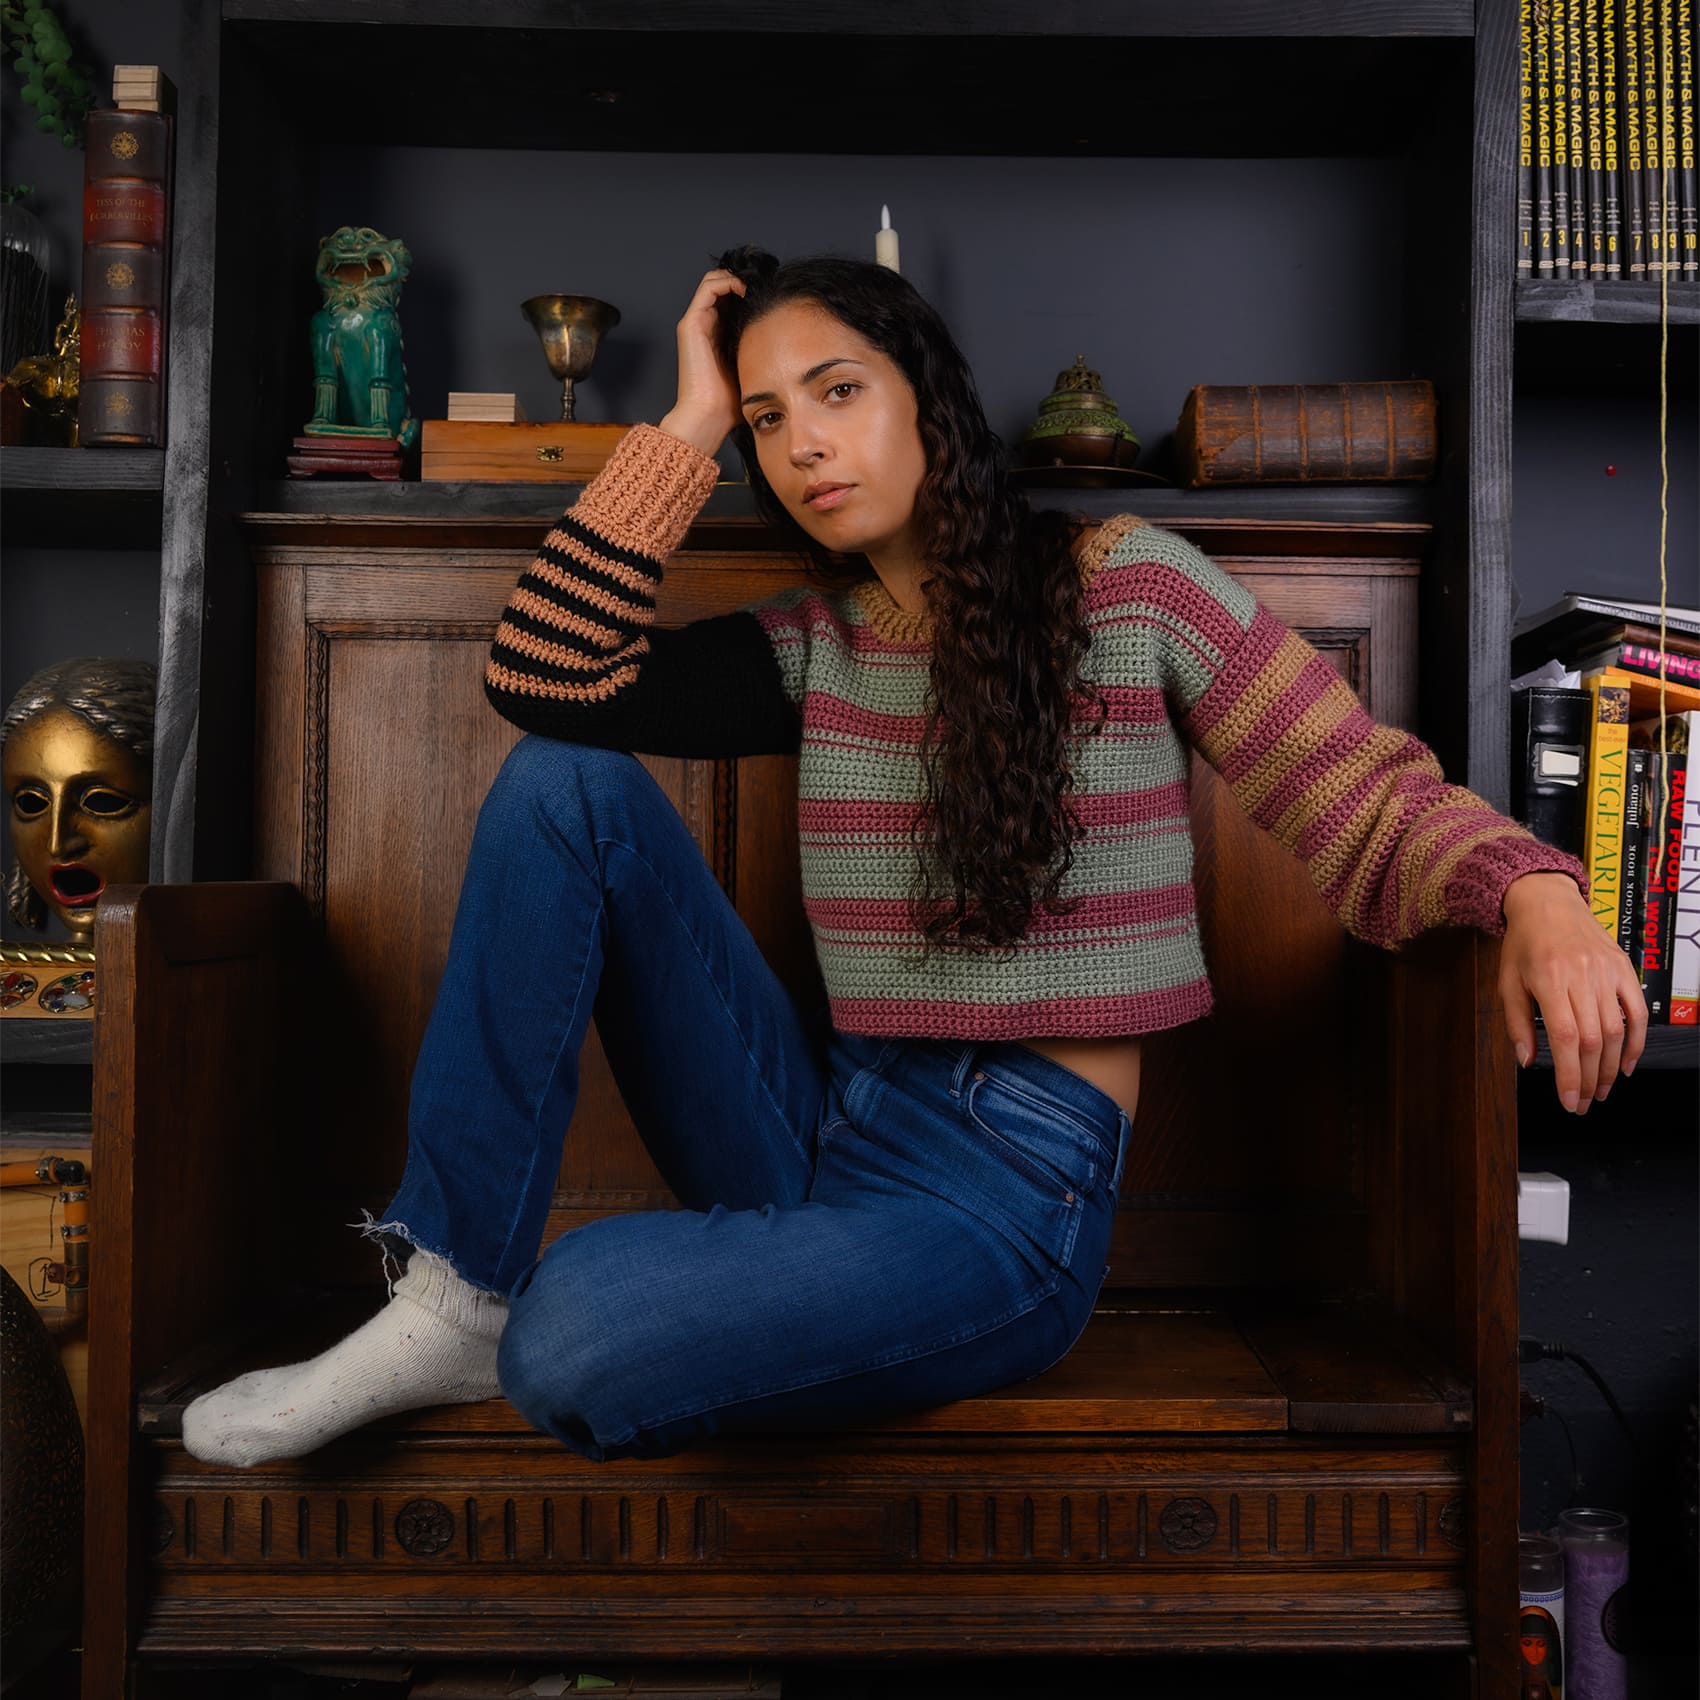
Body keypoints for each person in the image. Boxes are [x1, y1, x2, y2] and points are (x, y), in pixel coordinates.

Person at [181, 250, 1644, 1470]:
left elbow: (1354, 786)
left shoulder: (1127, 586)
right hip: (827, 1114)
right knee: (566, 781)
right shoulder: (813, 647)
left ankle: (539, 1315)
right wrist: (687, 419)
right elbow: (544, 677)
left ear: (928, 400)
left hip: (1007, 1198)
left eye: (837, 392)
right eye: (768, 419)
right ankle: (451, 1296)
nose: (803, 444)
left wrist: (1535, 892)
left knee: (578, 1333)